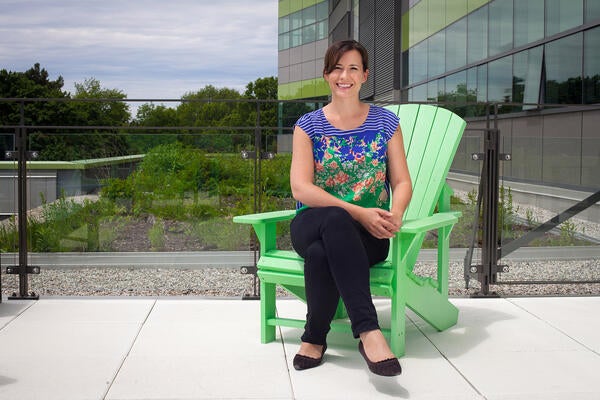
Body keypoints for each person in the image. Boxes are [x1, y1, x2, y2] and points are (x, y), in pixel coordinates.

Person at [289, 39, 412, 377]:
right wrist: (358, 211)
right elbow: (301, 188)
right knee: (334, 217)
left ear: (365, 75)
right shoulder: (308, 126)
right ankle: (369, 331)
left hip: (369, 234)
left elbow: (401, 182)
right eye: (337, 68)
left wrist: (396, 213)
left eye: (353, 68)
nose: (345, 75)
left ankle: (314, 338)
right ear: (327, 75)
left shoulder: (386, 123)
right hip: (312, 221)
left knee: (319, 255)